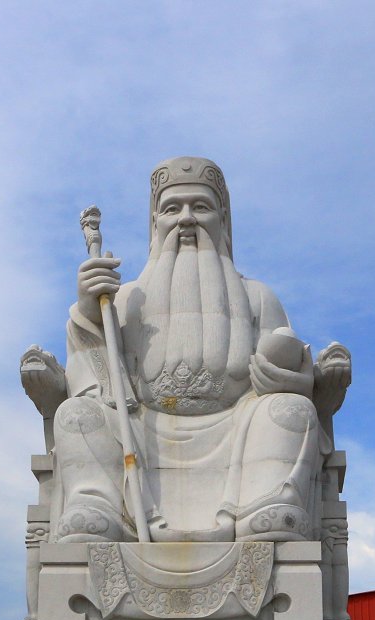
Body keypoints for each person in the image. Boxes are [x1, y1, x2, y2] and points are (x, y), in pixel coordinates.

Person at [45, 156, 352, 544]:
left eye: (200, 207)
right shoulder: (124, 299)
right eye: (172, 209)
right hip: (142, 432)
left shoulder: (257, 296)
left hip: (236, 427)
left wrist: (295, 376)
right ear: (155, 222)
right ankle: (99, 507)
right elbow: (94, 378)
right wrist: (88, 312)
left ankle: (263, 507)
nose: (186, 219)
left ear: (222, 220)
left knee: (291, 410)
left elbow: (290, 366)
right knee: (77, 413)